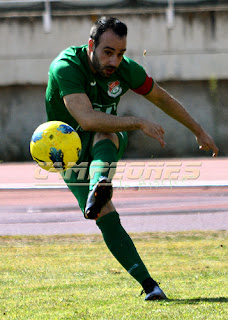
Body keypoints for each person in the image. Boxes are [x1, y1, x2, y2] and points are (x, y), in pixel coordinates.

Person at [45, 16, 219, 300]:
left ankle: (99, 182)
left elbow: (161, 98)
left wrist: (198, 131)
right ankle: (150, 285)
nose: (115, 60)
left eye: (121, 53)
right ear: (91, 45)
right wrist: (137, 122)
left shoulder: (125, 70)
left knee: (107, 135)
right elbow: (87, 119)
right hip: (65, 151)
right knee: (104, 214)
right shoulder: (66, 66)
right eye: (108, 52)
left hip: (103, 142)